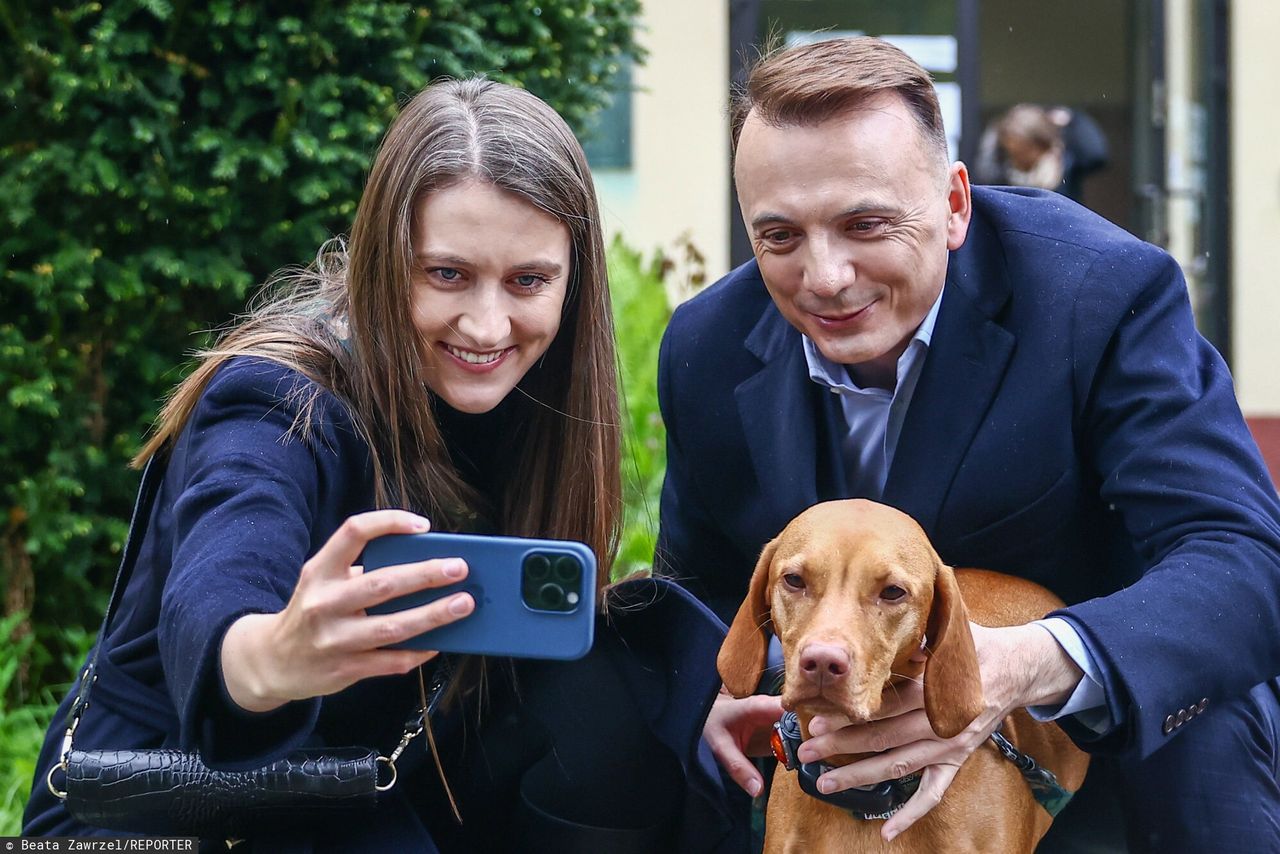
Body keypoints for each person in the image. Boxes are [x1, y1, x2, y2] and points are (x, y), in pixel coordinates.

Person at [25, 78, 741, 852]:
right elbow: (222, 576)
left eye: (528, 280)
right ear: (384, 259)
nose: (487, 323)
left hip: (352, 783)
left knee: (612, 714)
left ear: (573, 280)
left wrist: (688, 697)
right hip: (161, 804)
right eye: (446, 274)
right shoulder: (274, 401)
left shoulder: (534, 407)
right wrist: (272, 653)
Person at [656, 36, 1280, 853]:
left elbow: (1245, 561)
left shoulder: (1101, 294)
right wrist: (707, 697)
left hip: (1096, 735)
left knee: (1209, 735)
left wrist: (1023, 664)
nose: (826, 275)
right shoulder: (707, 345)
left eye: (866, 223)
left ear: (955, 204)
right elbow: (693, 587)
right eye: (778, 237)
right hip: (832, 744)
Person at [972, 102, 1109, 202]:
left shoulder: (1065, 162)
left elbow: (1098, 156)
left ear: (1041, 146)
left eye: (1023, 151)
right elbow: (984, 173)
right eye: (1012, 152)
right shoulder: (1001, 171)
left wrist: (1073, 117)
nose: (1017, 159)